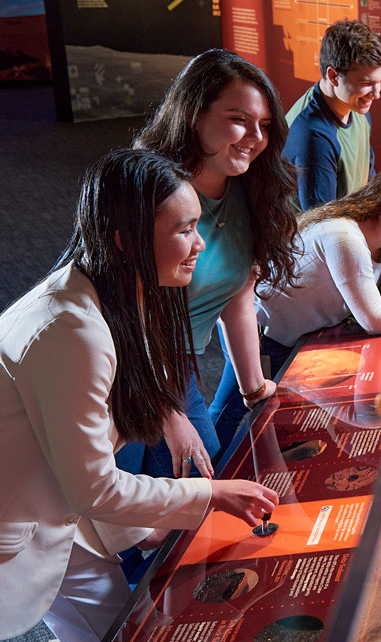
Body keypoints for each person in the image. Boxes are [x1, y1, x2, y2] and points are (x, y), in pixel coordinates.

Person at [0, 149, 279, 642]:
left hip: (52, 518)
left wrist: (141, 524)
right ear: (123, 238)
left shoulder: (116, 293)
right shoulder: (72, 330)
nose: (199, 245)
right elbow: (92, 485)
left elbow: (77, 458)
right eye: (183, 231)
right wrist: (209, 495)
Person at [127, 48, 300, 481]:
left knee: (174, 499)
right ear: (194, 115)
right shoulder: (151, 193)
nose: (255, 137)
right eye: (239, 119)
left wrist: (254, 388)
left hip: (178, 364)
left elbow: (236, 299)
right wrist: (169, 413)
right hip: (127, 364)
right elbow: (130, 315)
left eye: (263, 125)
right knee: (131, 513)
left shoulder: (248, 191)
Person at [210, 164, 381, 438]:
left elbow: (368, 299)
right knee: (231, 410)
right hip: (259, 332)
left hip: (289, 337)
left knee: (256, 415)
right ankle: (203, 475)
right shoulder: (346, 237)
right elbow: (373, 318)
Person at [284, 20, 381, 211]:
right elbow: (323, 225)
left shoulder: (356, 108)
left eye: (379, 81)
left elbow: (368, 180)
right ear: (333, 76)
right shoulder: (313, 136)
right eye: (366, 83)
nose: (377, 93)